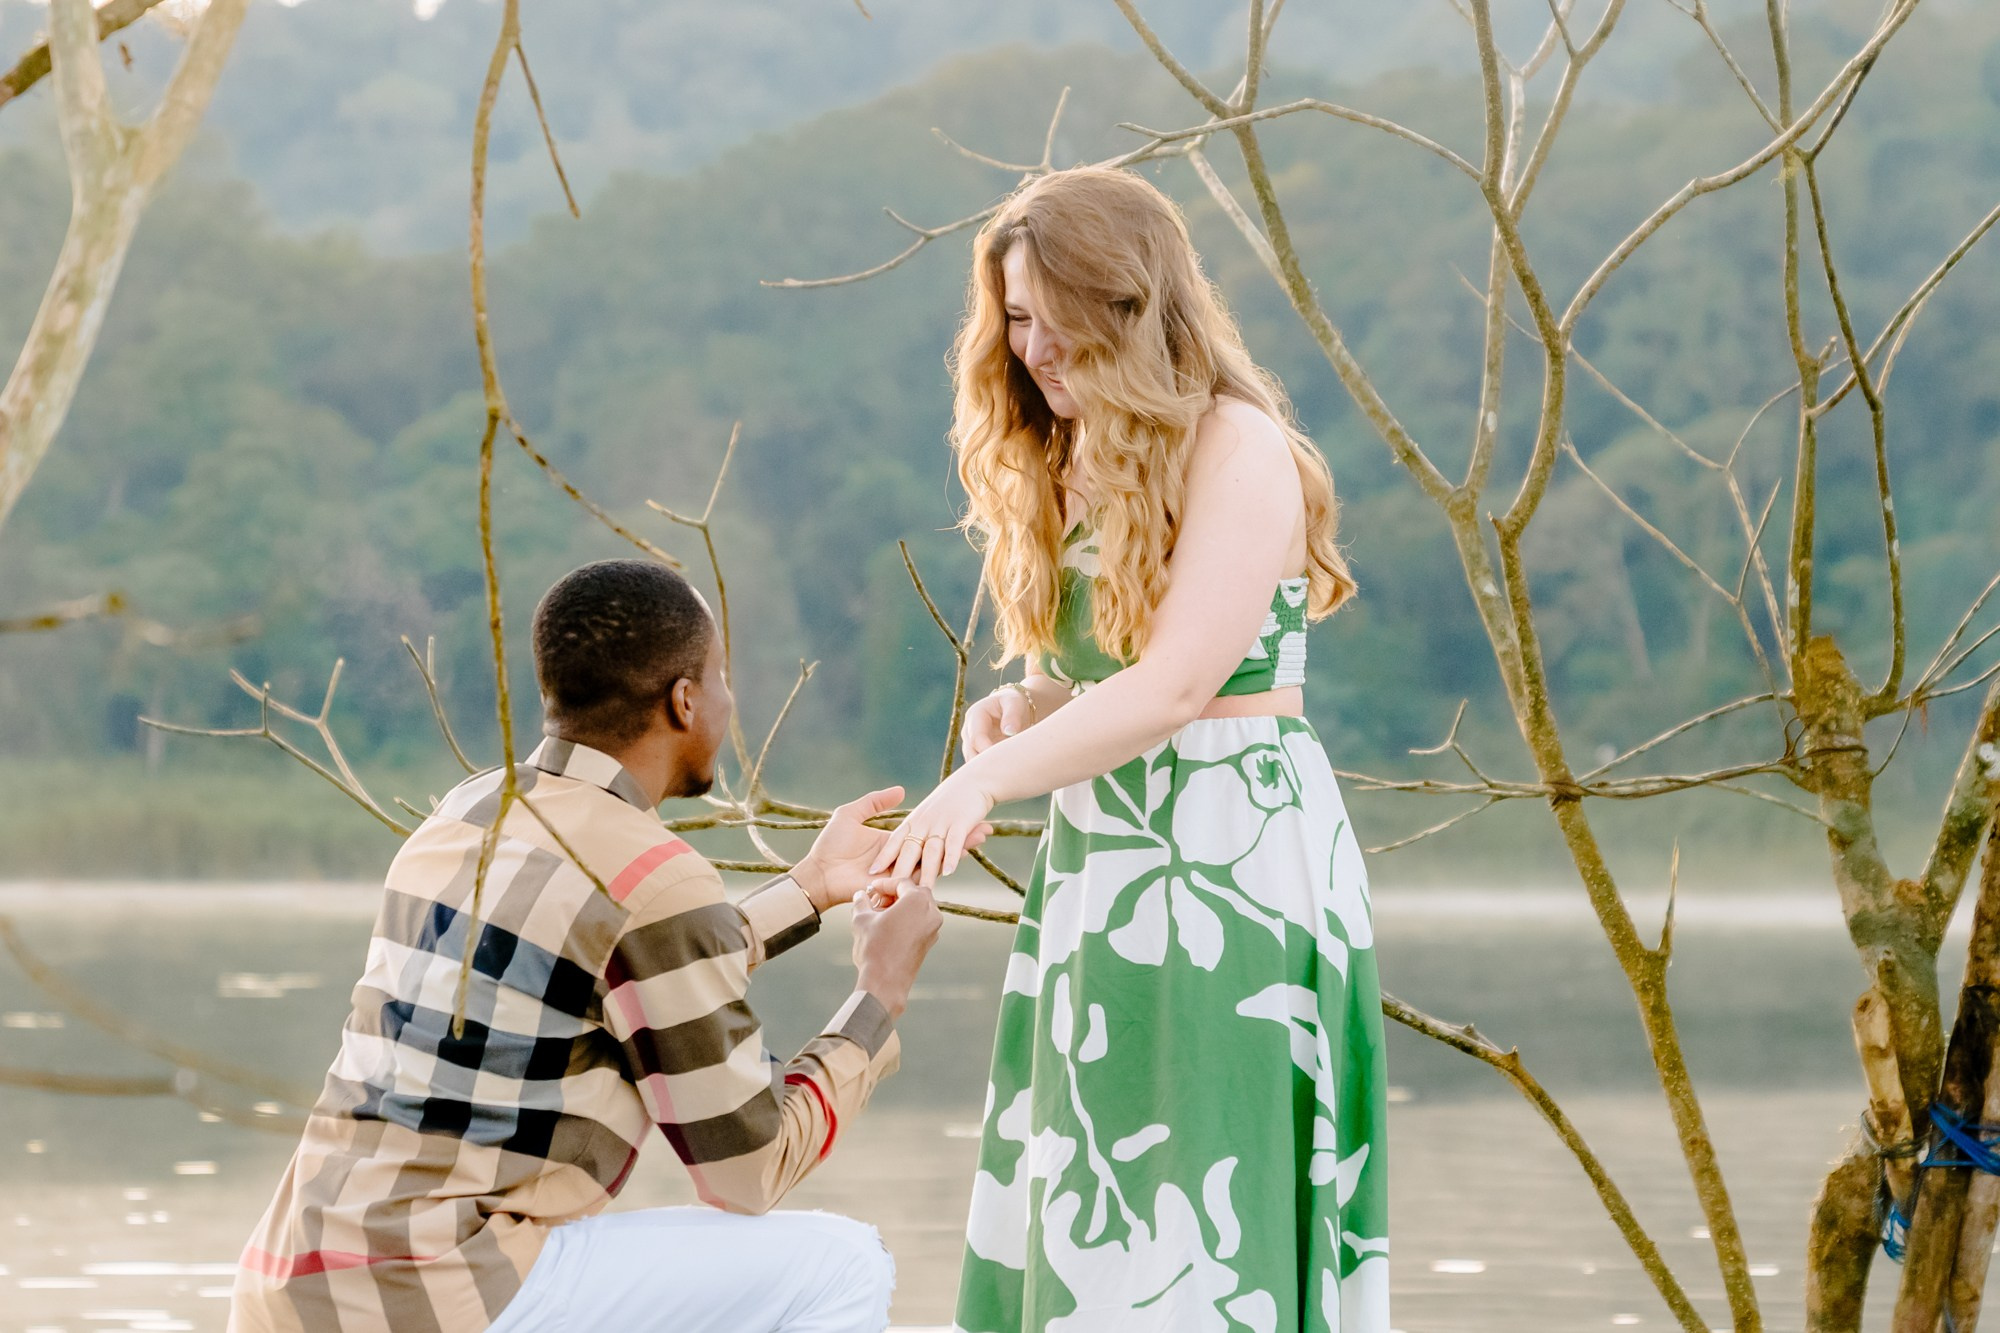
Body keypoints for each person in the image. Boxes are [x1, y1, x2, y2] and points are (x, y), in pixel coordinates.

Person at [872, 167, 1390, 1331]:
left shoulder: (1235, 444)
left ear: (1131, 304)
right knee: (1095, 1182)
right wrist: (1025, 709)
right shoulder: (1063, 457)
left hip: (1231, 857)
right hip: (1104, 860)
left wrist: (981, 780)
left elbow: (1178, 686)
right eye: (1013, 316)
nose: (1034, 346)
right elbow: (1100, 679)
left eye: (1058, 315)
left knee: (1207, 1188)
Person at [231, 558, 963, 1333]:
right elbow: (747, 1170)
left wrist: (813, 882)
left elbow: (611, 969)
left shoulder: (467, 811)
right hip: (440, 1297)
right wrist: (879, 997)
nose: (727, 699)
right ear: (684, 700)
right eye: (721, 678)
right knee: (842, 1262)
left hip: (288, 1289)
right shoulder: (653, 875)